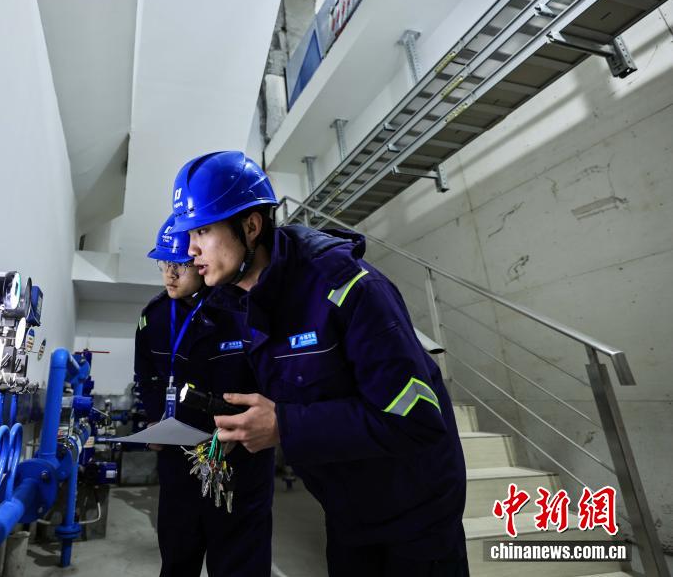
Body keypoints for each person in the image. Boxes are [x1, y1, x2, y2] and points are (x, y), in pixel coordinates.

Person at [168, 152, 469, 577]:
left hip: (416, 516)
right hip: (347, 511)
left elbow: (415, 419)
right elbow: (301, 386)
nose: (190, 249)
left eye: (202, 230)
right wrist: (244, 425)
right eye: (188, 234)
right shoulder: (242, 304)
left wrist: (285, 426)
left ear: (250, 226)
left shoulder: (348, 287)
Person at [134, 214, 275, 577]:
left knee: (239, 560)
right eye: (164, 264)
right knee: (178, 556)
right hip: (179, 459)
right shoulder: (153, 319)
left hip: (239, 457)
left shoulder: (242, 310)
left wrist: (246, 428)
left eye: (180, 265)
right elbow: (147, 377)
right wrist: (155, 418)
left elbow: (271, 380)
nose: (170, 275)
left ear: (199, 261)